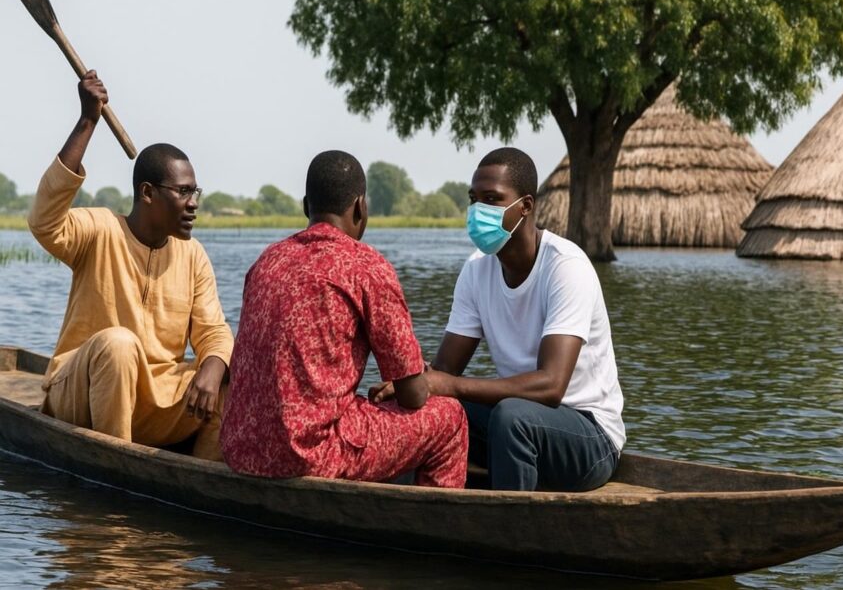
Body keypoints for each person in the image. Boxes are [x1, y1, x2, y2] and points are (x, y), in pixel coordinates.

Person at [372, 147, 625, 491]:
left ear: (525, 206)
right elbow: (446, 370)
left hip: (589, 437)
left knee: (511, 417)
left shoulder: (566, 267)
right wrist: (412, 384)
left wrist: (450, 385)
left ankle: (511, 529)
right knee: (421, 405)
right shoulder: (477, 269)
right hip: (519, 420)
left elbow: (551, 387)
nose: (478, 211)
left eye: (492, 199)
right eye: (473, 199)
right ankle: (405, 507)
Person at [220, 151, 468, 488]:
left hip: (242, 447)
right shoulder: (367, 266)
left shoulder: (267, 261)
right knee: (450, 418)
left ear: (306, 206)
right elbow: (413, 397)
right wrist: (416, 381)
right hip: (309, 455)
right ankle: (435, 528)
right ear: (360, 207)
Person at [29, 71, 233, 460]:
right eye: (184, 192)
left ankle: (201, 480)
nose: (194, 203)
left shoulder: (193, 256)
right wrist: (88, 120)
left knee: (231, 371)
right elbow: (44, 221)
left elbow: (214, 331)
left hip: (154, 400)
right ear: (148, 194)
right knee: (119, 344)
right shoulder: (101, 229)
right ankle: (119, 467)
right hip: (82, 392)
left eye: (196, 192)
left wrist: (214, 365)